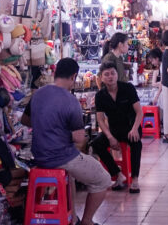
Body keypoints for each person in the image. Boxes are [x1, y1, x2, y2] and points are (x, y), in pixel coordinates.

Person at [30, 58, 112, 225]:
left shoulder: (38, 94)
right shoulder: (70, 100)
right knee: (103, 179)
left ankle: (72, 218)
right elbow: (79, 138)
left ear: (55, 73)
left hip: (38, 155)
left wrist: (48, 126)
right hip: (61, 157)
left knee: (71, 179)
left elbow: (26, 120)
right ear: (74, 76)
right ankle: (87, 221)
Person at [92, 61, 144, 193]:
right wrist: (109, 137)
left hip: (131, 126)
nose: (110, 77)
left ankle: (135, 179)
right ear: (102, 77)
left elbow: (139, 112)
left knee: (136, 143)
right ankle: (118, 174)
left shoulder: (128, 88)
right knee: (96, 143)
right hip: (114, 129)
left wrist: (134, 129)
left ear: (117, 74)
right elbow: (100, 119)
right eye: (107, 74)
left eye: (113, 73)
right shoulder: (100, 96)